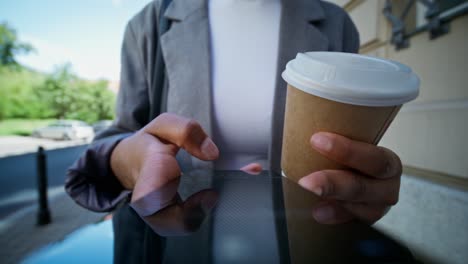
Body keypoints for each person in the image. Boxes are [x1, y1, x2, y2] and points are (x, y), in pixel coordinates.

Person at [66, 0, 402, 226]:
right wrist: (134, 159)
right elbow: (121, 135)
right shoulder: (150, 22)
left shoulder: (336, 24)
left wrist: (357, 188)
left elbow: (341, 151)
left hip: (301, 239)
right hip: (180, 248)